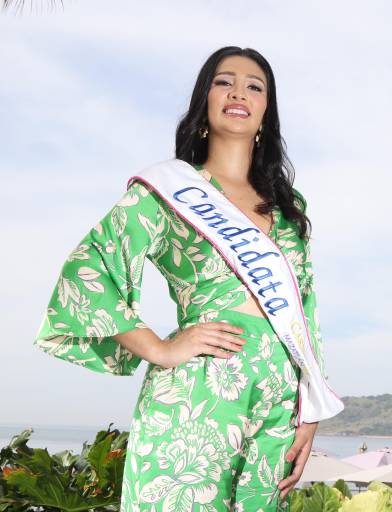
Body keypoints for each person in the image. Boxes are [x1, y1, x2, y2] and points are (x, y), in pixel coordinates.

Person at [32, 46, 343, 511]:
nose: (239, 91)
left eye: (254, 86)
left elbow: (307, 310)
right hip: (199, 392)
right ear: (204, 101)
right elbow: (89, 267)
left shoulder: (287, 206)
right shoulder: (169, 190)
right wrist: (158, 347)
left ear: (265, 114)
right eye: (224, 81)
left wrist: (311, 409)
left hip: (278, 399)